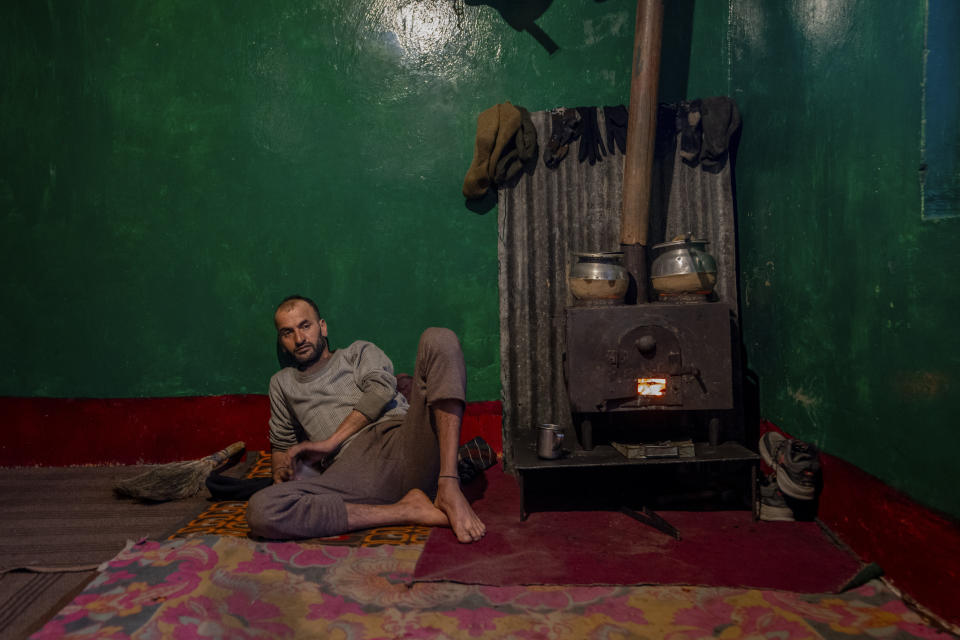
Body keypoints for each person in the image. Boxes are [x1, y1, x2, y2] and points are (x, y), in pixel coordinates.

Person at [246, 295, 486, 543]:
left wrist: (330, 442)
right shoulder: (282, 383)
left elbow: (380, 390)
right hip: (352, 472)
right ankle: (406, 510)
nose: (298, 339)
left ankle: (448, 484)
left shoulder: (357, 352)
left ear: (323, 327)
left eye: (305, 326)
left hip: (402, 443)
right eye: (287, 332)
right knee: (263, 509)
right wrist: (283, 473)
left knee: (439, 338)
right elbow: (282, 443)